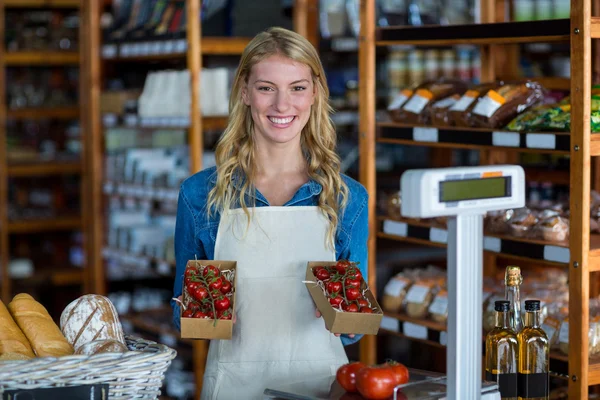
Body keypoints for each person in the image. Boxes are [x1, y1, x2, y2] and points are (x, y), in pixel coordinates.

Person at [171, 26, 369, 400]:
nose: (282, 105)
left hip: (321, 385)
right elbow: (183, 314)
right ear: (244, 92)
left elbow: (354, 323)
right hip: (233, 385)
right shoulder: (200, 195)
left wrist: (344, 311)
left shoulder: (347, 198)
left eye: (297, 87)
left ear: (315, 94)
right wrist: (201, 311)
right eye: (266, 88)